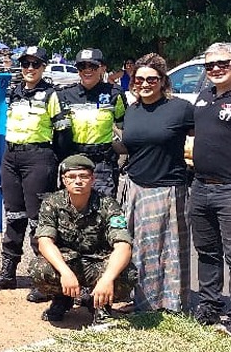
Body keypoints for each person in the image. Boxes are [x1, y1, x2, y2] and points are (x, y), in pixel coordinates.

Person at [0, 46, 65, 302]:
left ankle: (44, 280)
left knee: (38, 220)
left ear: (43, 67)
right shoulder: (12, 92)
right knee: (14, 215)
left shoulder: (51, 94)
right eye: (25, 64)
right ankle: (8, 273)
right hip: (11, 157)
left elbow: (62, 134)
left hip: (38, 158)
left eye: (35, 64)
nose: (29, 69)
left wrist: (53, 160)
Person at [120, 54, 194, 312]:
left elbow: (204, 137)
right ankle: (140, 300)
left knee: (168, 250)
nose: (145, 84)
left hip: (168, 188)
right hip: (135, 187)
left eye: (152, 79)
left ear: (163, 81)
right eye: (139, 79)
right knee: (138, 249)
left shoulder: (181, 108)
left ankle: (170, 304)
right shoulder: (132, 110)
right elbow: (130, 146)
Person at [31, 154, 137, 325]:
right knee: (40, 269)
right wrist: (65, 273)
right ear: (64, 180)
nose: (78, 181)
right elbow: (44, 242)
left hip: (98, 263)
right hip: (68, 262)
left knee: (128, 274)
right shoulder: (52, 203)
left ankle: (100, 304)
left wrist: (107, 279)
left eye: (84, 176)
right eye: (72, 177)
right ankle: (63, 298)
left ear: (92, 179)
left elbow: (123, 245)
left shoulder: (107, 204)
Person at [190, 43, 231, 327]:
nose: (216, 69)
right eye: (210, 65)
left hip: (229, 189)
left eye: (223, 63)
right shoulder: (203, 96)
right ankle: (210, 305)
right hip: (201, 186)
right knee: (206, 251)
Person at [55, 47, 126, 197]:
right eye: (82, 66)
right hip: (74, 161)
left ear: (102, 68)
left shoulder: (114, 94)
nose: (87, 70)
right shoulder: (64, 94)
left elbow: (124, 127)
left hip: (103, 164)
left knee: (104, 206)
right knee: (74, 207)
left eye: (93, 66)